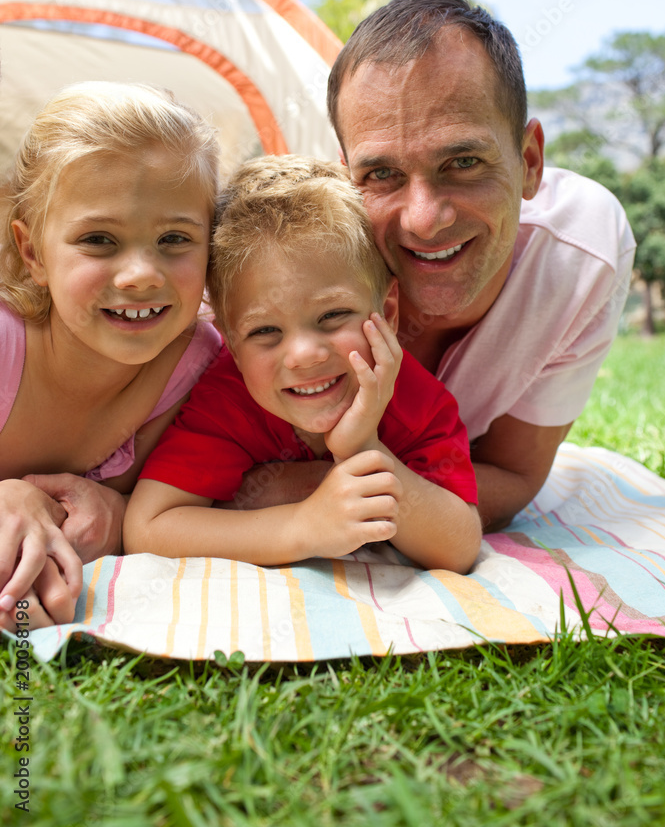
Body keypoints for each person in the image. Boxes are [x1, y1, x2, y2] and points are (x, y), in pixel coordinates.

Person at [325, 0, 636, 531]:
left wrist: (313, 491)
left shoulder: (581, 257)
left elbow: (511, 475)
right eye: (381, 174)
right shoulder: (301, 257)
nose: (424, 220)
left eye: (463, 162)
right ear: (344, 177)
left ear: (529, 162)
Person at [123, 157, 481, 572]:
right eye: (264, 331)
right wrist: (302, 527)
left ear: (387, 312)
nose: (304, 355)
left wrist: (361, 448)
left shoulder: (416, 403)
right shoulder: (229, 401)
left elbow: (457, 547)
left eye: (332, 316)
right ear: (231, 345)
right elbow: (148, 528)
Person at [0, 81, 222, 628]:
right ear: (33, 253)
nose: (141, 274)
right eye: (99, 239)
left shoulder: (191, 363)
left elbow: (171, 500)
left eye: (174, 239)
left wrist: (114, 512)